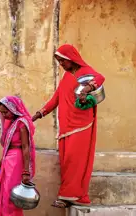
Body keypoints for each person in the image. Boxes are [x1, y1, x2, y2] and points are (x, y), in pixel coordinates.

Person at [33, 44, 105, 207]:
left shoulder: (85, 72)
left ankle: (66, 196)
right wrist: (37, 115)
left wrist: (87, 88)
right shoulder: (66, 77)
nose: (61, 65)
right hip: (66, 127)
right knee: (66, 162)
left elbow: (100, 78)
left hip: (81, 125)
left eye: (63, 61)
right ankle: (75, 196)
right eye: (59, 62)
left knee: (75, 161)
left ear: (71, 59)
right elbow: (55, 99)